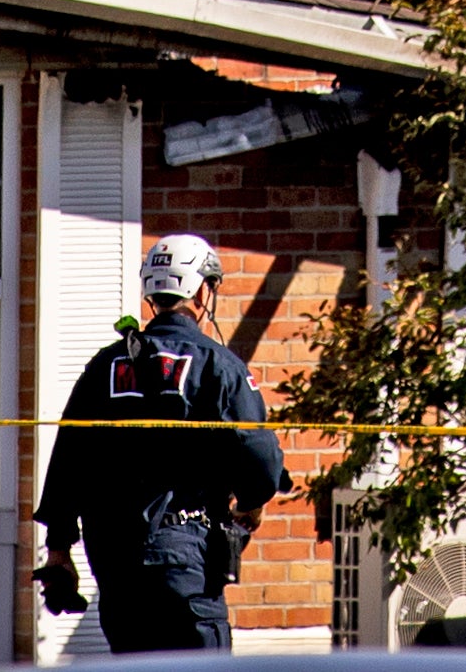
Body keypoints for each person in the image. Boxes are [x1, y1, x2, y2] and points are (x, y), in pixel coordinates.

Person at [33, 232, 288, 655]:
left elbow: (68, 461)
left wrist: (59, 550)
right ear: (202, 290)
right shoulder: (217, 365)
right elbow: (259, 459)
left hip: (115, 563)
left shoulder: (105, 365)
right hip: (184, 558)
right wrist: (251, 501)